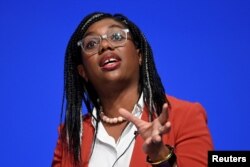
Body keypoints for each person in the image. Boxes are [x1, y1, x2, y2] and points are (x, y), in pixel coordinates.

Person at [52, 12, 213, 167]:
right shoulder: (70, 136)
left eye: (116, 36)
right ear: (83, 72)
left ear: (140, 56)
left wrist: (160, 156)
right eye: (91, 44)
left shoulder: (185, 116)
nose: (105, 45)